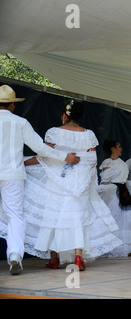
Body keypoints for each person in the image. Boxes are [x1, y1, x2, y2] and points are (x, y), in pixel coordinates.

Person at [1, 101, 122, 272]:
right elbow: (92, 161)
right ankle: (79, 256)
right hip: (80, 183)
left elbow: (45, 156)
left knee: (53, 216)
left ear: (64, 116)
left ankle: (54, 259)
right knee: (77, 218)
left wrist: (24, 162)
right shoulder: (89, 135)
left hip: (57, 181)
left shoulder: (54, 132)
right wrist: (81, 177)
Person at [0, 85, 80, 275]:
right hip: (13, 174)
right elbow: (41, 148)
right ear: (12, 104)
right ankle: (14, 256)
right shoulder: (20, 122)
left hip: (11, 173)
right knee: (15, 215)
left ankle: (13, 256)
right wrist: (64, 157)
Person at [98, 140, 131, 257]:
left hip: (124, 192)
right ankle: (113, 248)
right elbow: (105, 181)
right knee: (115, 220)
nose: (121, 149)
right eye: (119, 147)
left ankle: (130, 247)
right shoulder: (107, 163)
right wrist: (100, 193)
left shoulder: (122, 163)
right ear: (113, 149)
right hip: (113, 192)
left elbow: (124, 180)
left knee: (130, 220)